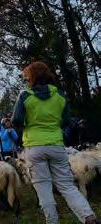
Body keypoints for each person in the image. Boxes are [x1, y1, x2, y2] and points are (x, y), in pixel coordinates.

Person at [12, 61, 97, 224]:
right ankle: (89, 217)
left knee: (43, 188)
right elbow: (66, 121)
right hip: (56, 145)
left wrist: (27, 129)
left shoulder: (25, 95)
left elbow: (16, 119)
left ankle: (52, 221)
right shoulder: (59, 94)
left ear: (31, 76)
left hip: (34, 147)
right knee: (67, 186)